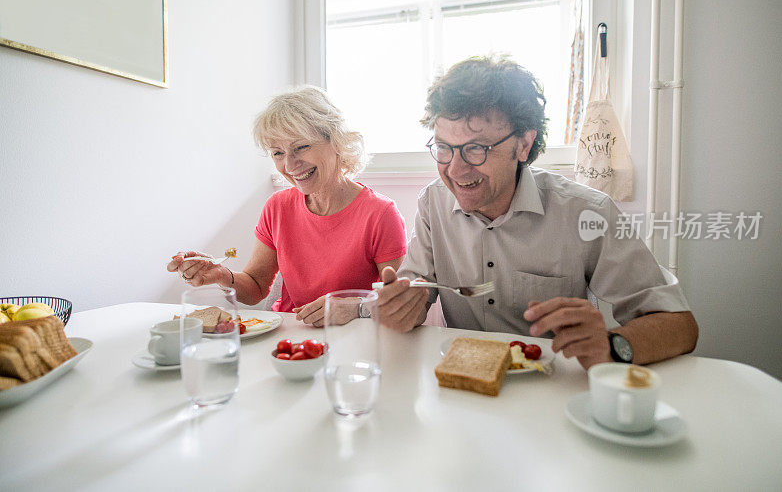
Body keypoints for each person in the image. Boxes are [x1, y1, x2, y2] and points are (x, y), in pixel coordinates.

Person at [376, 55, 698, 369]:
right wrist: (401, 307)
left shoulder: (587, 213)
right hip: (462, 388)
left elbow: (679, 326)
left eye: (476, 148)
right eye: (444, 148)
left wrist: (613, 345)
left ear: (523, 145)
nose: (455, 169)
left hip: (552, 389)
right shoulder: (433, 204)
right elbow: (413, 295)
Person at [168, 86, 407, 327]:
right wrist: (220, 275)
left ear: (335, 140)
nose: (290, 164)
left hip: (352, 338)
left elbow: (399, 303)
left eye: (302, 147)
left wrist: (352, 307)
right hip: (289, 335)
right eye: (278, 153)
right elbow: (256, 287)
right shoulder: (277, 207)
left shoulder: (380, 213)